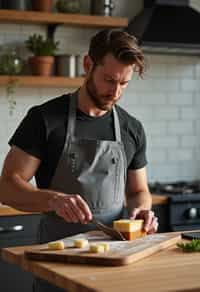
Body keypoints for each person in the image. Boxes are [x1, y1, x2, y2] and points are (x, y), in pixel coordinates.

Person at [0, 29, 158, 292]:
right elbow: (7, 186)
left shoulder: (132, 128)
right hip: (57, 264)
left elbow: (139, 191)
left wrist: (141, 211)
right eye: (109, 80)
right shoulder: (44, 119)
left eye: (124, 83)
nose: (115, 92)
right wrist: (52, 199)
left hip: (114, 264)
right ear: (88, 65)